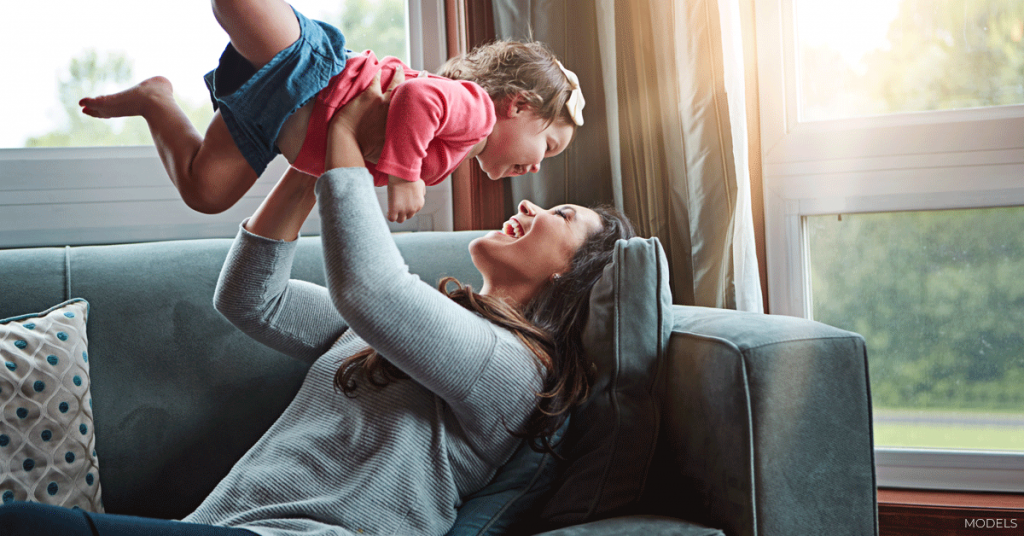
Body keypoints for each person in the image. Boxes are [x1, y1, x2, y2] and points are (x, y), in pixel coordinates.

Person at [0, 61, 634, 536]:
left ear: (571, 275)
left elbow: (370, 290)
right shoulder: (430, 325)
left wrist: (348, 149)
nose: (530, 202)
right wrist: (315, 153)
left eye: (562, 213)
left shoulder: (517, 373)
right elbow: (251, 298)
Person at [78, 0, 585, 223]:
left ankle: (155, 101)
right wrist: (405, 175)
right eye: (549, 146)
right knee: (233, 5)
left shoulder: (453, 153)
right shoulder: (476, 113)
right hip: (313, 77)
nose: (539, 165)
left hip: (277, 126)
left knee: (205, 192)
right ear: (518, 105)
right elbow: (417, 99)